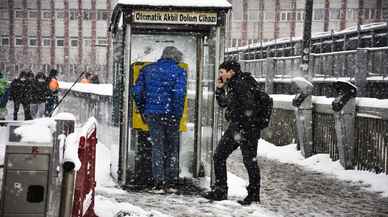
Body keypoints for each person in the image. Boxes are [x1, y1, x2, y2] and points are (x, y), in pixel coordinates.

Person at [204, 60, 262, 205]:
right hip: (244, 127)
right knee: (248, 160)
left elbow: (231, 103)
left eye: (222, 72)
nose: (220, 75)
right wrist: (221, 89)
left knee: (225, 157)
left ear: (231, 72)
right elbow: (226, 103)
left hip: (244, 128)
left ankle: (223, 190)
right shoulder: (241, 82)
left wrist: (222, 94)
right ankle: (249, 194)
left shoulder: (239, 84)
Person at [133, 46, 187, 191]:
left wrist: (143, 109)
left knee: (157, 146)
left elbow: (137, 91)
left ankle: (158, 180)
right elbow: (179, 94)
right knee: (172, 148)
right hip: (172, 114)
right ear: (175, 58)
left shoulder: (147, 69)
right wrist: (177, 113)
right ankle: (171, 181)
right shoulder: (179, 71)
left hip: (153, 114)